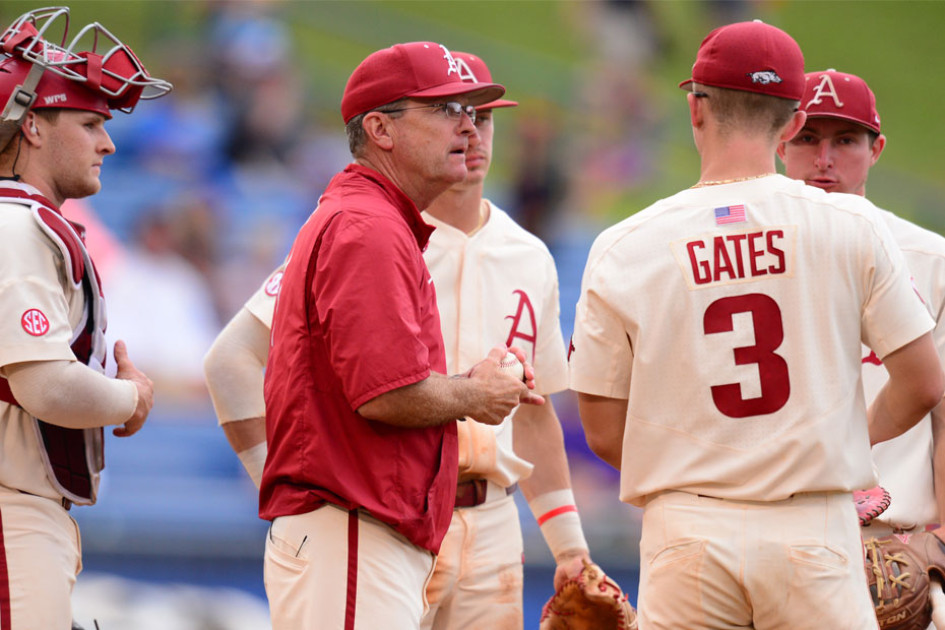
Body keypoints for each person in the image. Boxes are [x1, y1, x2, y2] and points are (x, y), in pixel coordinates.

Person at [568, 20, 944, 629]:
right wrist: (841, 444)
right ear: (793, 123)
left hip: (685, 529)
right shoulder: (852, 227)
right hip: (812, 523)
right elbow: (924, 384)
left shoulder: (624, 245)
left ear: (695, 109)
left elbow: (605, 432)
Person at [204, 50, 591, 629]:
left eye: (480, 114)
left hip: (469, 513)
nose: (469, 128)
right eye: (446, 111)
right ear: (382, 128)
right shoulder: (371, 228)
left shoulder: (521, 252)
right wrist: (286, 488)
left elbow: (535, 414)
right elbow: (376, 390)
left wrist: (569, 545)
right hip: (366, 511)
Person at [0, 7, 169, 628]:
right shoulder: (16, 225)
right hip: (8, 511)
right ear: (35, 126)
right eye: (92, 122)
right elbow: (44, 384)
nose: (109, 142)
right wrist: (130, 397)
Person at [779, 69, 945, 541]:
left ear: (876, 150)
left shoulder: (932, 261)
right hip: (771, 537)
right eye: (807, 137)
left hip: (894, 541)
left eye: (846, 140)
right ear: (780, 144)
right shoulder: (743, 256)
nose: (824, 159)